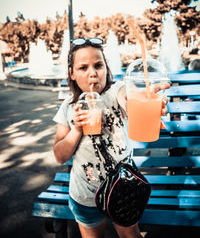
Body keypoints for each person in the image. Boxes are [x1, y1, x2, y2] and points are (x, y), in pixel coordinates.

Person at [53, 37, 169, 238]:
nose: (93, 74)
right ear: (71, 73)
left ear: (106, 68)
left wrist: (146, 101)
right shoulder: (68, 108)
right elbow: (60, 155)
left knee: (130, 235)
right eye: (83, 68)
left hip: (123, 189)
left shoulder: (116, 91)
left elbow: (130, 99)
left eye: (98, 65)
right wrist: (77, 130)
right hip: (85, 195)